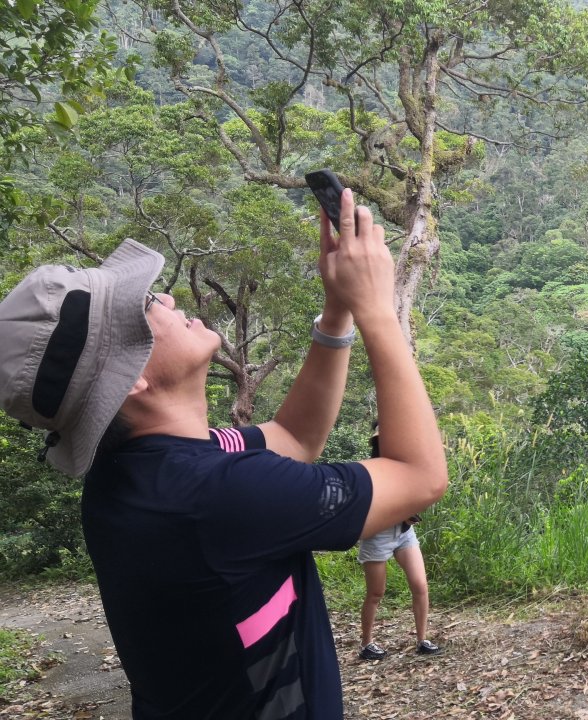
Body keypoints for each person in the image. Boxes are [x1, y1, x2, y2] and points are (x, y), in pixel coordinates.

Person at [0, 188, 447, 719]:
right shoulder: (216, 494)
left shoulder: (144, 474)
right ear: (132, 379)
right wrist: (378, 310)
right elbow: (419, 477)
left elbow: (295, 439)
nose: (166, 299)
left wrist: (337, 314)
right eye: (144, 306)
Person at [356, 422, 441, 660]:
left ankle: (422, 639)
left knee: (420, 585)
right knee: (376, 592)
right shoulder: (370, 469)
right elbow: (370, 503)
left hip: (404, 532)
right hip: (377, 534)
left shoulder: (406, 465)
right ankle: (366, 643)